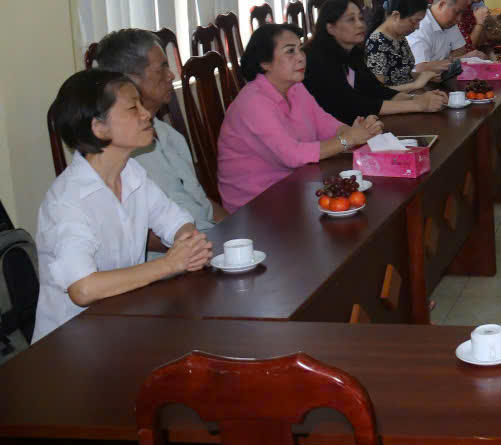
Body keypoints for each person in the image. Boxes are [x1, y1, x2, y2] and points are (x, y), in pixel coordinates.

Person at [34, 70, 213, 340]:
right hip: (72, 341)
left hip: (126, 321)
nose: (146, 114)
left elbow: (176, 221)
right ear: (99, 127)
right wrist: (169, 264)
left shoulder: (131, 173)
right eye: (133, 108)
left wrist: (189, 246)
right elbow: (83, 289)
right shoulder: (67, 201)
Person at [219, 24, 383, 212]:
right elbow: (292, 155)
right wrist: (350, 138)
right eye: (290, 51)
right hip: (254, 206)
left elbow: (324, 123)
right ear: (265, 63)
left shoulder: (295, 87)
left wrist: (356, 131)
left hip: (295, 187)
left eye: (300, 48)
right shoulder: (253, 102)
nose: (301, 57)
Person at [93, 29, 223, 228]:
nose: (171, 75)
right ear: (128, 80)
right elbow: (142, 233)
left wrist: (239, 232)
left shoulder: (171, 136)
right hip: (180, 244)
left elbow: (202, 205)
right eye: (161, 69)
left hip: (207, 236)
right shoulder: (119, 154)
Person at [304, 0, 447, 124]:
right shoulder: (316, 60)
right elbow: (352, 104)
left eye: (360, 18)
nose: (360, 24)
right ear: (330, 28)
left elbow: (376, 89)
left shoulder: (352, 52)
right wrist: (419, 105)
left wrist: (418, 99)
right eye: (351, 20)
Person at [366, 0, 436, 88]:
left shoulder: (399, 36)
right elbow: (377, 90)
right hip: (396, 98)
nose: (417, 27)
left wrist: (423, 76)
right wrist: (415, 85)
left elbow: (402, 74)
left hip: (410, 95)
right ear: (396, 15)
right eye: (414, 21)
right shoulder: (377, 43)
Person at [409, 0, 472, 73]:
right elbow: (421, 68)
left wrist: (441, 62)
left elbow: (461, 50)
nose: (459, 19)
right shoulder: (420, 25)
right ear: (441, 5)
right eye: (457, 12)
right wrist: (456, 59)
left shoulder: (450, 22)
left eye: (462, 13)